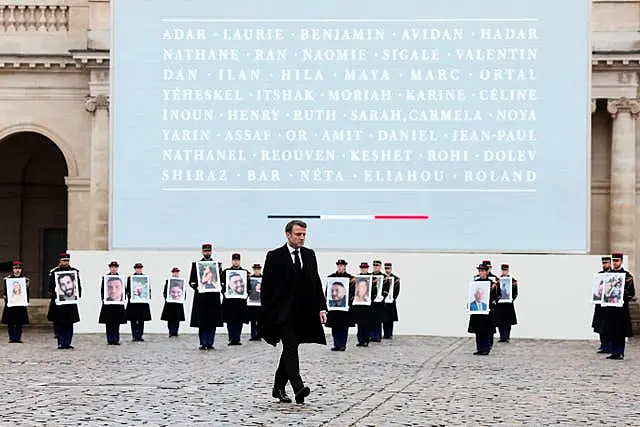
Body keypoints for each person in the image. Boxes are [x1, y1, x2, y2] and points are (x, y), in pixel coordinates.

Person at [259, 220, 327, 404]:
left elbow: (316, 282)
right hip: (282, 314)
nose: (302, 238)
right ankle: (298, 387)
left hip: (303, 313)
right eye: (298, 234)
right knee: (290, 345)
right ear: (288, 235)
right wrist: (268, 314)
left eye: (304, 234)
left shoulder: (309, 255)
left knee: (291, 347)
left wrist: (321, 308)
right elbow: (267, 288)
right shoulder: (274, 256)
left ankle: (278, 388)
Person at [600, 252, 635, 360]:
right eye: (614, 261)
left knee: (620, 330)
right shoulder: (608, 275)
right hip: (610, 308)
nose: (615, 263)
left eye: (617, 261)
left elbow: (631, 293)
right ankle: (613, 351)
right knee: (611, 330)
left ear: (621, 261)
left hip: (621, 308)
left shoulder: (627, 276)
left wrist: (622, 297)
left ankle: (620, 351)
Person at [189, 243, 223, 350]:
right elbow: (192, 281)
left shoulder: (217, 266)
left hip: (213, 297)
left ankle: (210, 342)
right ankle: (203, 342)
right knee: (202, 321)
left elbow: (220, 280)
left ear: (211, 252)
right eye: (205, 251)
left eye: (208, 251)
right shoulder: (197, 265)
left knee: (212, 321)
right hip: (201, 298)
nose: (207, 253)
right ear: (202, 252)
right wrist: (197, 287)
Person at [47, 253, 82, 349]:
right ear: (60, 261)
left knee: (69, 323)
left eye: (67, 261)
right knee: (58, 323)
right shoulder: (54, 272)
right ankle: (60, 342)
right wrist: (55, 294)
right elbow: (50, 288)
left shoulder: (74, 272)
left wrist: (77, 294)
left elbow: (78, 286)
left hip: (70, 302)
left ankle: (67, 342)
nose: (66, 262)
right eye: (64, 261)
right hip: (58, 302)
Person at [467, 264, 499, 355]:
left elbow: (496, 296)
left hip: (487, 310)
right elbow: (472, 294)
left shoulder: (491, 283)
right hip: (477, 311)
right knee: (478, 330)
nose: (481, 272)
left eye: (482, 271)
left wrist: (492, 305)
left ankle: (486, 348)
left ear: (486, 271)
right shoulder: (476, 282)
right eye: (479, 271)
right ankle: (479, 348)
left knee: (487, 330)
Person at [221, 253, 250, 346]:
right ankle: (231, 338)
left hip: (240, 301)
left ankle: (237, 338)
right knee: (230, 320)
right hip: (229, 301)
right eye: (234, 260)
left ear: (239, 261)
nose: (236, 262)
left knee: (239, 320)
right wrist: (224, 292)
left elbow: (248, 286)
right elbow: (221, 285)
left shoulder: (245, 273)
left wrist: (246, 294)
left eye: (237, 260)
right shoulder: (226, 272)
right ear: (232, 261)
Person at [326, 259, 355, 351]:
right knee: (334, 326)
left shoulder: (351, 278)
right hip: (334, 307)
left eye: (342, 265)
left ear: (345, 266)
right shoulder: (332, 277)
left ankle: (342, 344)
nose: (340, 267)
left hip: (345, 307)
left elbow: (353, 292)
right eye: (339, 265)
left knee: (344, 326)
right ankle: (336, 344)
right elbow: (327, 291)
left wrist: (350, 302)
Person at [98, 262, 127, 345]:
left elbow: (123, 290)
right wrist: (104, 300)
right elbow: (102, 290)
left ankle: (116, 339)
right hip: (108, 305)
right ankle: (110, 340)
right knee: (109, 323)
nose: (113, 269)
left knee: (116, 323)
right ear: (110, 268)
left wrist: (123, 299)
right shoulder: (106, 278)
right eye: (112, 267)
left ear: (117, 268)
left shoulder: (120, 278)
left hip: (118, 305)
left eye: (115, 267)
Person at [2, 261, 29, 343]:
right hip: (11, 304)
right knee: (11, 322)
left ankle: (18, 337)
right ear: (13, 270)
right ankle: (12, 337)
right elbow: (5, 292)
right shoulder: (8, 279)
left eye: (19, 268)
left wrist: (27, 301)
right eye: (15, 268)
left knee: (19, 322)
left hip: (20, 304)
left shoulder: (25, 280)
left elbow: (27, 292)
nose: (17, 270)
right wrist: (6, 298)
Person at [126, 263, 152, 342]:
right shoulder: (130, 278)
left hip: (142, 303)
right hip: (133, 303)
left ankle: (140, 335)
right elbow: (128, 290)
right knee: (133, 320)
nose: (139, 269)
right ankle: (134, 335)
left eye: (140, 268)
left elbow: (148, 290)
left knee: (141, 320)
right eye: (137, 268)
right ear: (135, 269)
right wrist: (131, 297)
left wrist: (147, 297)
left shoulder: (145, 278)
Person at [351, 262, 374, 347]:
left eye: (365, 268)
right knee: (359, 324)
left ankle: (366, 340)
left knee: (366, 324)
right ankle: (360, 340)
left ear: (367, 269)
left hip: (367, 306)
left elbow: (374, 291)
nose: (363, 269)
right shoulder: (357, 278)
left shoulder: (370, 279)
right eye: (362, 268)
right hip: (358, 305)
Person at [495, 264, 518, 343]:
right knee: (500, 321)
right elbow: (495, 292)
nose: (504, 271)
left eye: (505, 270)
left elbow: (515, 293)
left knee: (508, 321)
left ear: (508, 270)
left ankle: (507, 336)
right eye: (503, 270)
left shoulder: (513, 281)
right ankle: (502, 337)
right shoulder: (498, 280)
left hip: (508, 304)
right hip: (500, 304)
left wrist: (511, 299)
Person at [161, 267, 186, 337]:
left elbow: (184, 292)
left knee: (177, 319)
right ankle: (171, 332)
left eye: (177, 272)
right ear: (172, 273)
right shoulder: (168, 281)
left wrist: (182, 299)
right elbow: (165, 292)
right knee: (170, 319)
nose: (176, 273)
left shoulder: (181, 282)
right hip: (170, 303)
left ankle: (175, 332)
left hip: (178, 303)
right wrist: (167, 298)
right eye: (174, 272)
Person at [369, 260, 386, 343]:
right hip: (371, 301)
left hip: (380, 302)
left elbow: (387, 288)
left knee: (378, 320)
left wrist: (383, 296)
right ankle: (371, 336)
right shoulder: (369, 276)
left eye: (377, 265)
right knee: (371, 319)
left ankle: (378, 336)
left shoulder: (384, 277)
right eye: (374, 265)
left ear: (380, 266)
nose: (376, 267)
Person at [382, 262, 400, 339]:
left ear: (391, 269)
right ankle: (385, 334)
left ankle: (390, 333)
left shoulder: (395, 278)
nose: (387, 270)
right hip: (384, 301)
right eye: (386, 268)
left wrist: (393, 298)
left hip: (391, 301)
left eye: (388, 268)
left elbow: (397, 290)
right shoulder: (382, 278)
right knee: (384, 318)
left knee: (391, 318)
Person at [247, 263, 262, 341]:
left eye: (258, 269)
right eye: (255, 269)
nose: (256, 270)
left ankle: (259, 334)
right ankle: (253, 335)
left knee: (260, 320)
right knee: (252, 320)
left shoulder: (264, 278)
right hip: (252, 303)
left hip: (261, 303)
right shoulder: (250, 279)